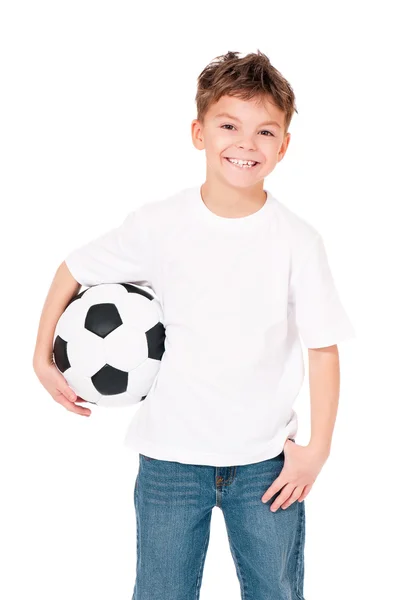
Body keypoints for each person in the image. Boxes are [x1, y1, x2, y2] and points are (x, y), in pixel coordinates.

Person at [33, 49, 355, 600]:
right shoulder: (159, 224)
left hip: (265, 466)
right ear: (198, 132)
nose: (246, 144)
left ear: (284, 146)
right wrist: (41, 356)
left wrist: (317, 448)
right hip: (169, 463)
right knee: (160, 592)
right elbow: (74, 268)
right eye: (229, 125)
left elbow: (323, 346)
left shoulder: (298, 241)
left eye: (265, 132)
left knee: (276, 591)